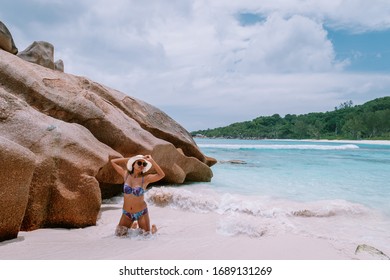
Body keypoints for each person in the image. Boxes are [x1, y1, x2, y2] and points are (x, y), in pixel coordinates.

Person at [110, 154, 165, 236]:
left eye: (144, 164)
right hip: (126, 213)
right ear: (133, 164)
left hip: (141, 213)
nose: (142, 165)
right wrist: (130, 158)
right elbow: (113, 162)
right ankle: (133, 226)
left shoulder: (146, 179)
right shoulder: (126, 175)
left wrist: (152, 161)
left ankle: (153, 230)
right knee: (118, 235)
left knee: (146, 236)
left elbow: (161, 175)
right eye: (139, 163)